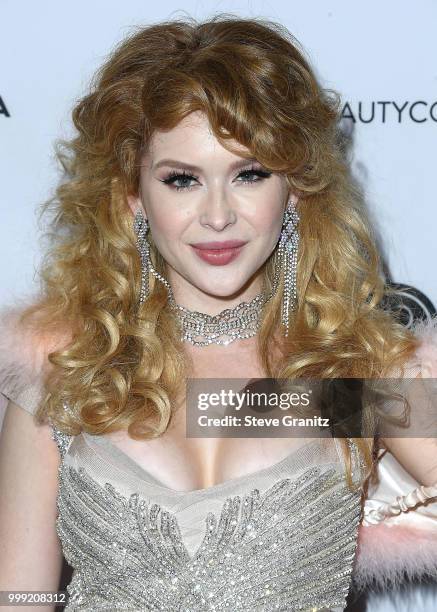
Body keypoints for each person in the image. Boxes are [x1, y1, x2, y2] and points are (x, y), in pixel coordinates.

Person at [0, 13, 436, 612]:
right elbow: (19, 597)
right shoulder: (66, 368)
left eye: (249, 174)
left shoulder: (346, 372)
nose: (218, 216)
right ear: (133, 197)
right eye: (182, 180)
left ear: (295, 190)